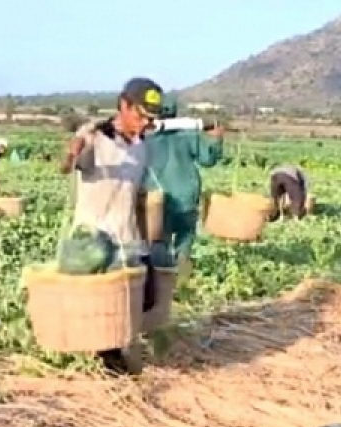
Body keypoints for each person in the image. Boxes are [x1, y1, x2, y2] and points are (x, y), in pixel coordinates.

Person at [59, 76, 163, 375]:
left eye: (150, 118)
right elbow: (67, 167)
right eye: (139, 115)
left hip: (128, 234)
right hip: (95, 236)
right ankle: (109, 360)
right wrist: (72, 152)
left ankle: (111, 349)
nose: (144, 123)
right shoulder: (96, 138)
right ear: (124, 105)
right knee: (108, 304)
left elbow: (136, 192)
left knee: (147, 298)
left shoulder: (142, 146)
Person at [144, 95, 224, 262]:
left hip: (157, 198)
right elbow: (208, 160)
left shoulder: (145, 137)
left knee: (159, 241)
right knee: (185, 239)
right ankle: (182, 275)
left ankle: (162, 279)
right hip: (187, 196)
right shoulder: (189, 134)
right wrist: (216, 140)